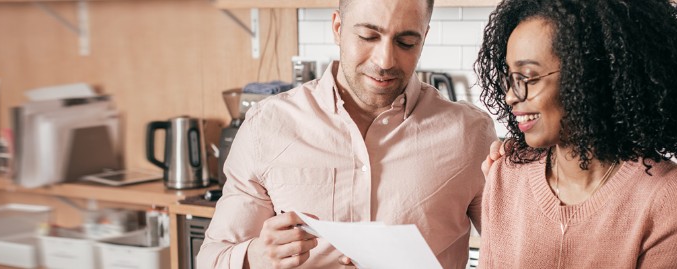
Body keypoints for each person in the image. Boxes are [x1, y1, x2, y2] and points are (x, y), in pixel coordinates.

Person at [196, 0, 496, 268]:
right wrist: (255, 257)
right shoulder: (268, 125)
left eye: (406, 42)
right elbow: (213, 258)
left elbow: (513, 253)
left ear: (424, 38)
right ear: (338, 27)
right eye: (368, 36)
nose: (385, 61)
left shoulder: (469, 134)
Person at [474, 0, 677, 268]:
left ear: (593, 75)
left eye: (529, 78)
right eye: (510, 77)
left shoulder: (669, 196)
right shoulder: (506, 175)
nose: (510, 96)